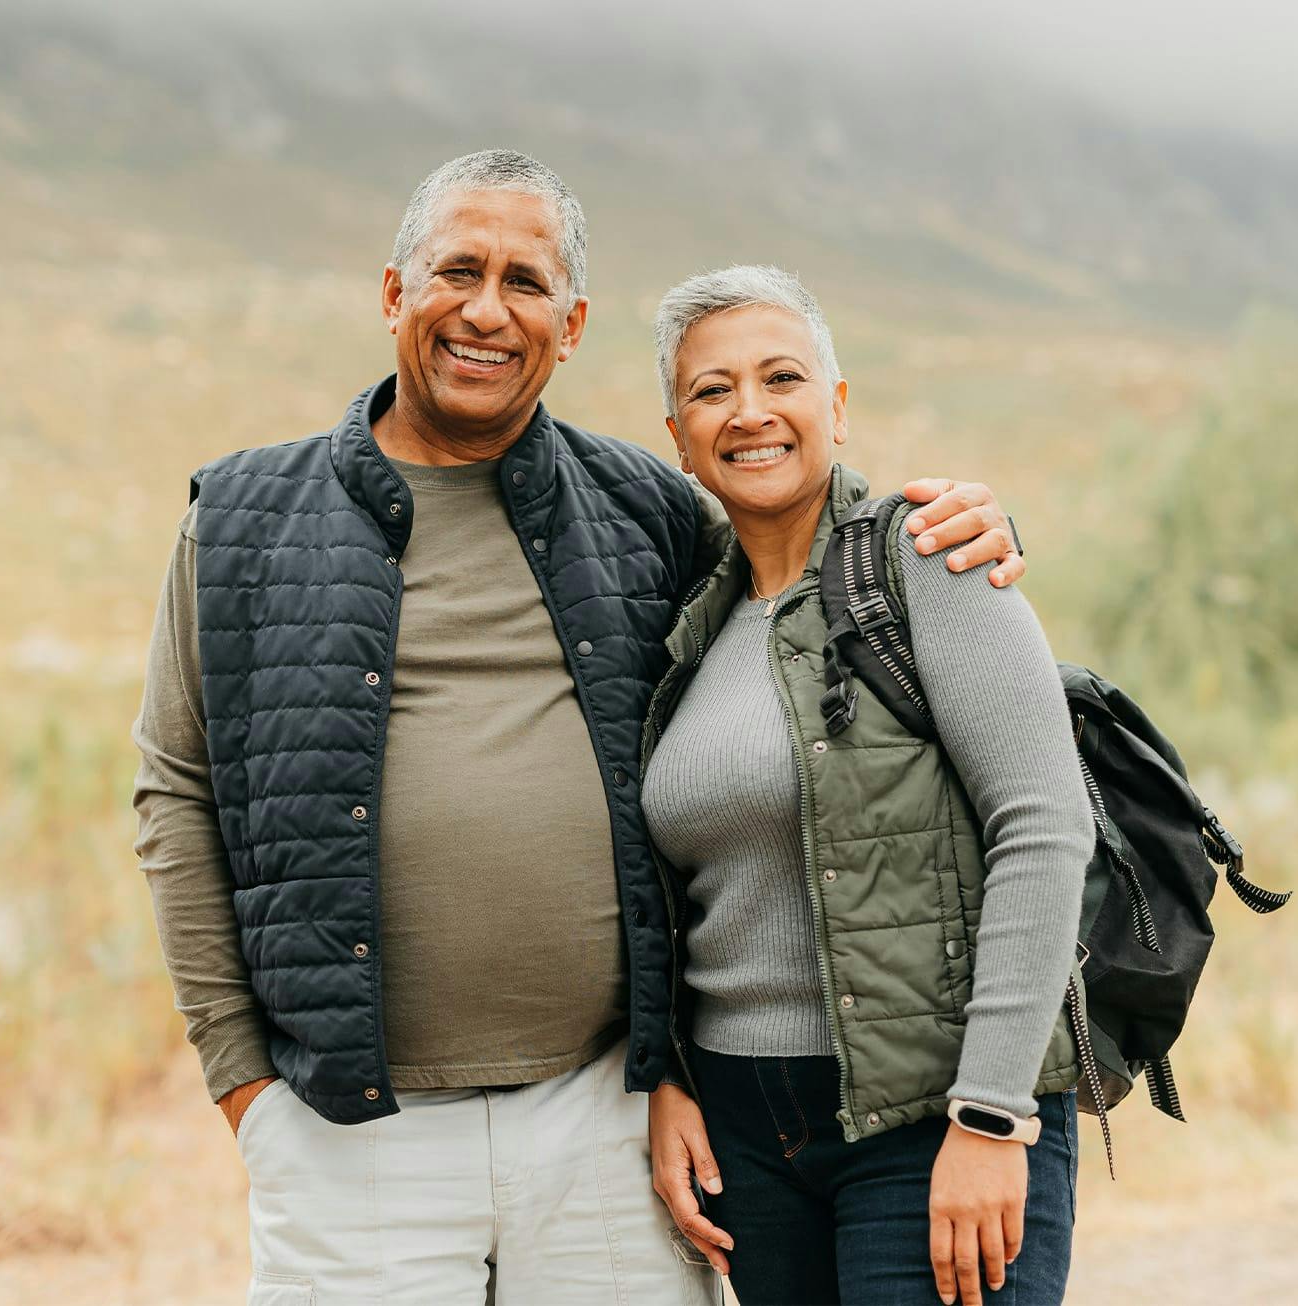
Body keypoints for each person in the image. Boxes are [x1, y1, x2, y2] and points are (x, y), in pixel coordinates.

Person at [130, 152, 1028, 1303]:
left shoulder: (644, 508)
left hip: (605, 1117)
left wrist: (956, 532)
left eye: (525, 281)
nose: (486, 309)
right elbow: (174, 789)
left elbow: (796, 574)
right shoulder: (243, 519)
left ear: (571, 323)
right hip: (350, 1128)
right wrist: (243, 1085)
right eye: (457, 269)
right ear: (395, 292)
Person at [640, 265, 1096, 1306]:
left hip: (929, 1118)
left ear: (835, 406)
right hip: (747, 1142)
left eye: (780, 377)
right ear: (677, 434)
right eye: (710, 391)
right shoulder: (687, 627)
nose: (748, 411)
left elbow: (1041, 827)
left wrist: (989, 1115)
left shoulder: (925, 560)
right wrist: (667, 1069)